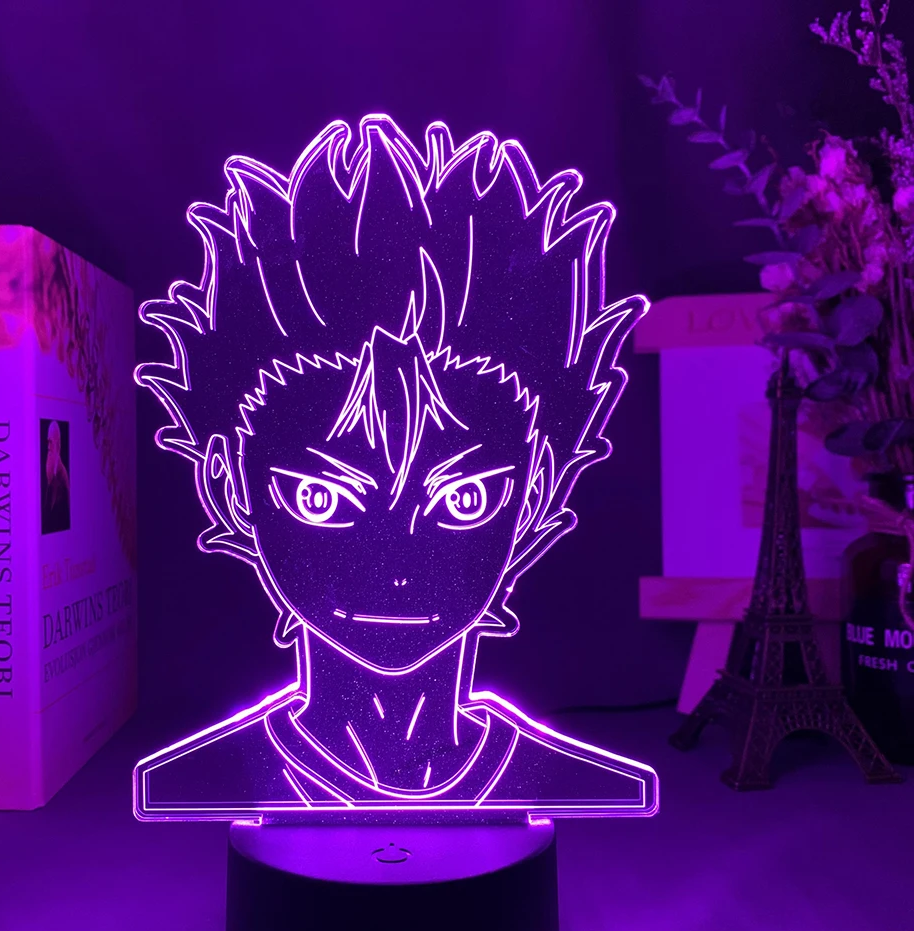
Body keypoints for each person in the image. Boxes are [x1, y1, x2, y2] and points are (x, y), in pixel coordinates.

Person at [133, 115, 657, 820]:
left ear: (538, 489)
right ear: (228, 485)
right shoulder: (198, 781)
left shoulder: (579, 786)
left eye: (465, 500)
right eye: (320, 499)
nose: (396, 567)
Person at [43, 419, 70, 533]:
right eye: (48, 442)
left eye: (51, 442)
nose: (48, 446)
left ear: (57, 444)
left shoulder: (60, 473)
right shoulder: (50, 459)